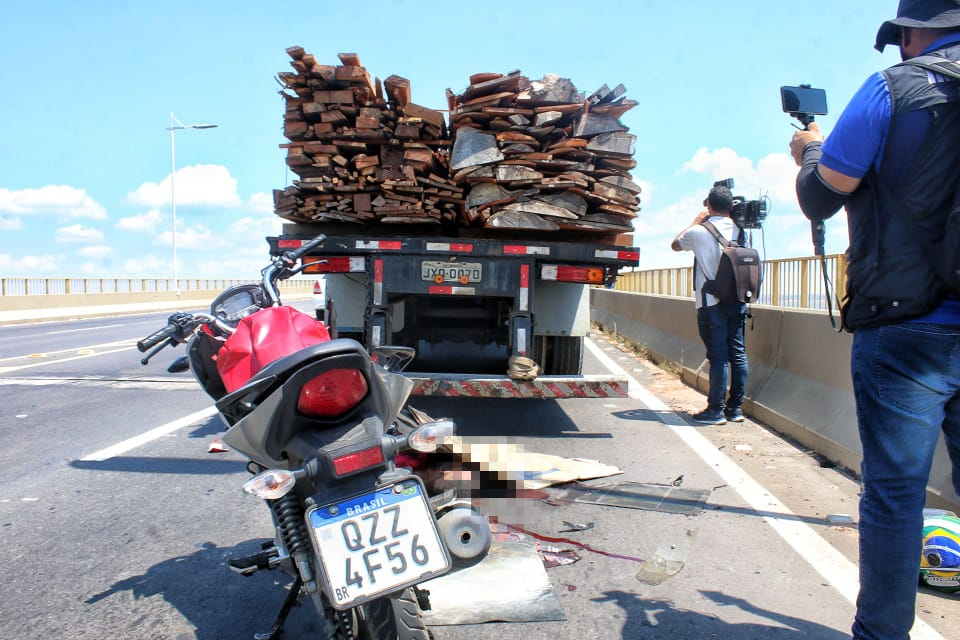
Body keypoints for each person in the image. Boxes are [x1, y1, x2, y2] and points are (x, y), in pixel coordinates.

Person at [789, 1, 960, 638]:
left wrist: (810, 151)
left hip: (906, 324)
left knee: (896, 494)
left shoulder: (893, 87)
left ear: (911, 33)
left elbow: (823, 194)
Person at [670, 185, 748, 425]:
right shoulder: (742, 231)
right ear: (732, 206)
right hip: (737, 300)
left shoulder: (698, 231)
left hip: (710, 302)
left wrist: (695, 220)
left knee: (718, 357)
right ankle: (734, 409)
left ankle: (715, 410)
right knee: (738, 354)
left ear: (708, 205)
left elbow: (675, 245)